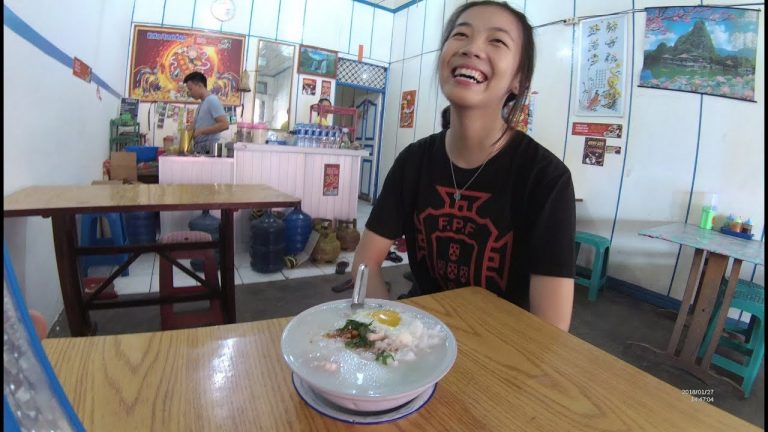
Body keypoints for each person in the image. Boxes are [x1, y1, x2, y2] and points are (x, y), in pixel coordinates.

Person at [351, 1, 576, 331]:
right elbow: (365, 264)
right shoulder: (413, 161)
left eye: (496, 40)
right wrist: (392, 335)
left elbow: (551, 330)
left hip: (502, 347)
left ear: (518, 80)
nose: (471, 48)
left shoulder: (545, 178)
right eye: (460, 35)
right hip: (419, 335)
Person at [183, 71, 229, 155]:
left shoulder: (212, 100)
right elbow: (193, 126)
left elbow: (224, 124)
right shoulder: (201, 105)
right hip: (199, 147)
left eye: (191, 89)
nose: (190, 93)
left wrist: (201, 131)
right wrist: (183, 133)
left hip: (209, 147)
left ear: (200, 85)